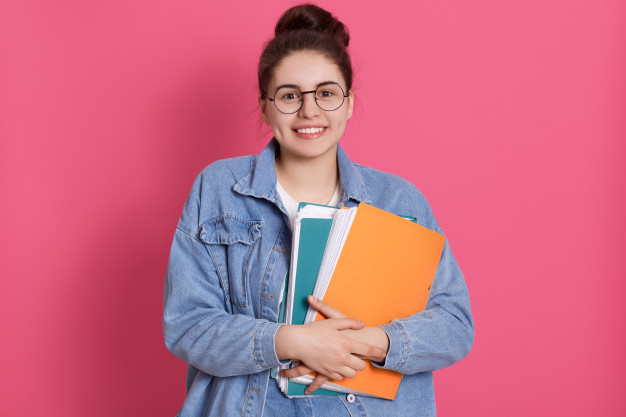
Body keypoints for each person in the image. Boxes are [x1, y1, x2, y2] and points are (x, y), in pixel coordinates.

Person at [163, 4, 473, 416]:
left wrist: (362, 344)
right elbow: (187, 325)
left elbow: (453, 324)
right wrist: (292, 342)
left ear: (347, 103)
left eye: (326, 93)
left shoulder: (399, 200)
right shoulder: (218, 189)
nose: (309, 111)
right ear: (265, 106)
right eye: (290, 96)